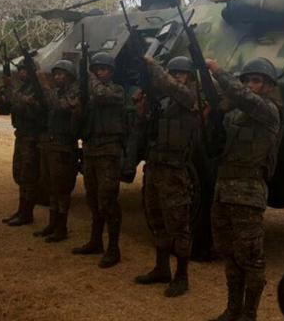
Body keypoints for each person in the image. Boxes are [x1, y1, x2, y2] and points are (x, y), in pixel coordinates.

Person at [205, 57, 282, 321]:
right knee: (229, 253)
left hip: (248, 193)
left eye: (257, 81)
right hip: (223, 189)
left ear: (269, 86)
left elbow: (242, 97)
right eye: (247, 80)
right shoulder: (235, 113)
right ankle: (232, 309)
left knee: (251, 257)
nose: (250, 85)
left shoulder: (269, 111)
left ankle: (250, 313)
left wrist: (217, 70)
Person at [133, 55, 200, 297]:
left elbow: (170, 86)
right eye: (174, 73)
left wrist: (152, 63)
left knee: (179, 226)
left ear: (190, 77)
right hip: (154, 167)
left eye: (181, 74)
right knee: (156, 219)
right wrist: (141, 111)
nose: (177, 77)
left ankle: (182, 275)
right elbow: (144, 130)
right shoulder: (161, 101)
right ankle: (161, 268)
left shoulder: (191, 96)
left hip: (175, 171)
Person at [72, 52, 126, 268]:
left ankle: (114, 248)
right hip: (91, 150)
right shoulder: (91, 93)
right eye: (96, 69)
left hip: (108, 152)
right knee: (93, 199)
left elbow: (102, 95)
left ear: (111, 72)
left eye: (103, 69)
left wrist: (88, 77)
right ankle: (96, 241)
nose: (99, 72)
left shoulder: (116, 90)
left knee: (108, 200)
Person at [34, 60, 80, 243]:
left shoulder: (75, 92)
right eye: (56, 74)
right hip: (51, 145)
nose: (57, 77)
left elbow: (61, 106)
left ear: (69, 76)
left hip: (64, 146)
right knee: (51, 187)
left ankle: (62, 227)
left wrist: (44, 85)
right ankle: (52, 224)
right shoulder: (58, 92)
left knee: (61, 189)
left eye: (61, 74)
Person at [0, 63, 46, 227]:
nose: (22, 73)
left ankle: (27, 213)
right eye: (20, 70)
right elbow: (13, 103)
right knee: (19, 173)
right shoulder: (23, 88)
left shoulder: (37, 90)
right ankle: (21, 210)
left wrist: (10, 89)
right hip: (21, 135)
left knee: (29, 175)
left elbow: (29, 104)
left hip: (32, 137)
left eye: (25, 70)